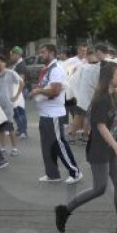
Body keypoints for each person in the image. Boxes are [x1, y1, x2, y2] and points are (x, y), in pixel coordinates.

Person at [54, 61, 117, 233]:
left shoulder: (111, 96)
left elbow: (114, 123)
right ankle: (65, 210)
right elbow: (101, 126)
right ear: (108, 78)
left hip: (109, 147)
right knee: (99, 188)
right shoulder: (101, 99)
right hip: (99, 149)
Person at [28, 43, 81, 183]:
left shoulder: (56, 69)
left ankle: (75, 172)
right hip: (45, 114)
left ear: (52, 53)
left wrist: (38, 91)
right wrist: (37, 90)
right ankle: (52, 174)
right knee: (47, 145)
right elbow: (47, 87)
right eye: (40, 52)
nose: (40, 55)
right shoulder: (46, 69)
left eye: (43, 52)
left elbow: (55, 91)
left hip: (54, 114)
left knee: (59, 143)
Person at [0, 54, 22, 157]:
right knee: (1, 128)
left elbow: (21, 82)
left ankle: (15, 148)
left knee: (10, 127)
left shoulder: (11, 73)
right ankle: (2, 148)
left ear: (5, 63)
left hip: (8, 104)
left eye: (1, 62)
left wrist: (16, 96)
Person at [8, 46, 31, 139]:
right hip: (16, 91)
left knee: (19, 111)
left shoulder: (21, 65)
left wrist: (17, 95)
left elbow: (21, 81)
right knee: (17, 111)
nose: (10, 57)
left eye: (12, 55)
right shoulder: (17, 64)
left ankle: (23, 131)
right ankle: (20, 129)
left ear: (17, 55)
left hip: (19, 91)